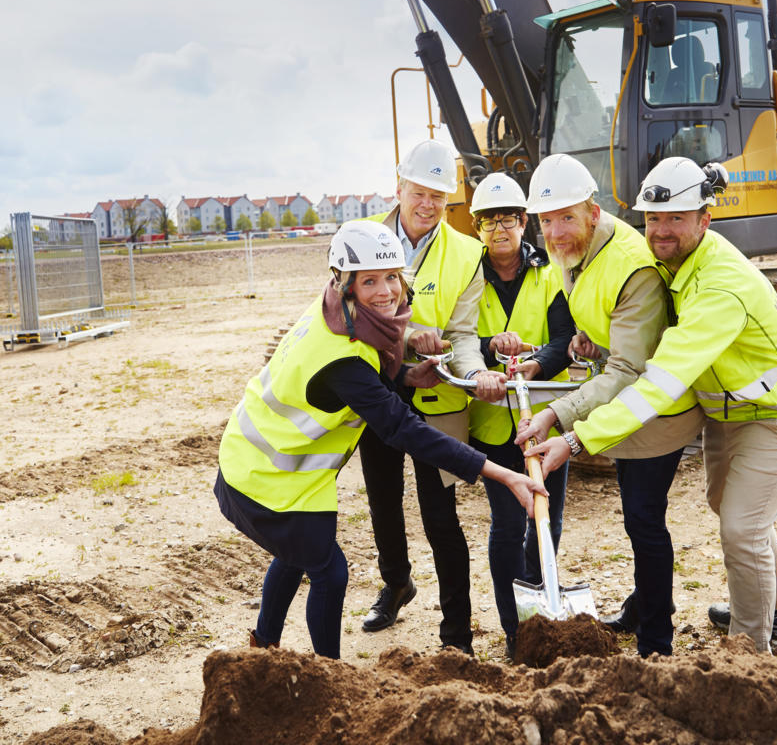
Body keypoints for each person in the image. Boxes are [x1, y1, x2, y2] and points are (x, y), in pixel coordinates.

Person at [527, 156, 777, 653]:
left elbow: (656, 383)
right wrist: (600, 346)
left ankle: (750, 653)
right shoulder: (674, 261)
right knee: (729, 509)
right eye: (653, 219)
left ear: (704, 221)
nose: (661, 231)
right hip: (728, 410)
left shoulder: (719, 288)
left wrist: (577, 439)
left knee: (741, 525)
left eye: (676, 219)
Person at [214, 222, 544, 658]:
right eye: (369, 280)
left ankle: (263, 648)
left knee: (298, 553)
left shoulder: (335, 310)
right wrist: (501, 473)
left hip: (264, 465)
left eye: (392, 276)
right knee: (330, 571)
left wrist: (405, 375)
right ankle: (329, 678)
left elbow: (360, 380)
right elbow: (403, 428)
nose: (386, 291)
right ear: (344, 282)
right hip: (263, 476)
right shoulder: (343, 355)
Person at [515, 153, 705, 658]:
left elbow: (631, 372)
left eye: (566, 218)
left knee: (644, 518)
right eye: (546, 220)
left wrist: (557, 414)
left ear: (593, 213)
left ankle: (655, 643)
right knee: (635, 513)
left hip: (657, 408)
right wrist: (592, 342)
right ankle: (643, 605)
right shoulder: (569, 249)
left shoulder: (632, 267)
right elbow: (615, 341)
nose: (554, 233)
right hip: (623, 400)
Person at [359, 140, 507, 655]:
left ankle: (456, 634)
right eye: (419, 192)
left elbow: (463, 332)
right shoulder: (362, 240)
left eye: (439, 197)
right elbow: (350, 318)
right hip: (379, 392)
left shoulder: (468, 253)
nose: (427, 205)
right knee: (383, 500)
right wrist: (409, 335)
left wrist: (474, 372)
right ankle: (396, 584)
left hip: (438, 400)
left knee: (440, 516)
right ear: (399, 188)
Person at [465, 172, 575, 658]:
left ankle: (540, 598)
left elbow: (562, 338)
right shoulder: (468, 277)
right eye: (489, 222)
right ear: (477, 229)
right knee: (507, 523)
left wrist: (536, 362)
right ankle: (515, 628)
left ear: (524, 221)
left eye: (508, 218)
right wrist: (492, 349)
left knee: (547, 517)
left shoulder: (550, 271)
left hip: (546, 418)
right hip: (493, 424)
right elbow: (460, 337)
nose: (499, 230)